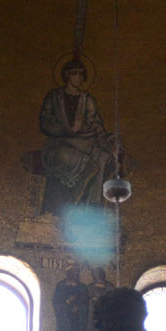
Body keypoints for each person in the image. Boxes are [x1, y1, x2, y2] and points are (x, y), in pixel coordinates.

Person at [36, 58, 117, 215]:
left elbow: (96, 126)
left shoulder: (87, 100)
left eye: (81, 74)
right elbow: (45, 122)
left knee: (103, 157)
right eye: (75, 74)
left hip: (85, 143)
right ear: (67, 75)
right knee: (67, 156)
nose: (79, 77)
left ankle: (94, 206)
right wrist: (67, 130)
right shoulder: (54, 97)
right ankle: (78, 190)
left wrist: (109, 145)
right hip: (59, 144)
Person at [51, 264, 90, 331]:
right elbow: (56, 302)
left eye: (77, 272)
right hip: (64, 319)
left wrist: (79, 308)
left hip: (77, 320)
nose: (76, 274)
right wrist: (67, 303)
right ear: (68, 273)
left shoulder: (82, 287)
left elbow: (86, 302)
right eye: (74, 272)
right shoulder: (60, 285)